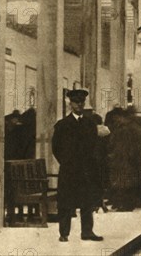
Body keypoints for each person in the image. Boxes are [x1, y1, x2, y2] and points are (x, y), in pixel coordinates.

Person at [51, 89, 103, 242]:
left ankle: (87, 232)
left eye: (82, 102)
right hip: (69, 170)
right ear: (70, 104)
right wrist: (67, 162)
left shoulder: (90, 124)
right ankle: (64, 233)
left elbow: (94, 145)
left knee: (87, 202)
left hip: (86, 169)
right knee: (66, 203)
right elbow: (56, 148)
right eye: (76, 102)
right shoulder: (62, 125)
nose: (79, 105)